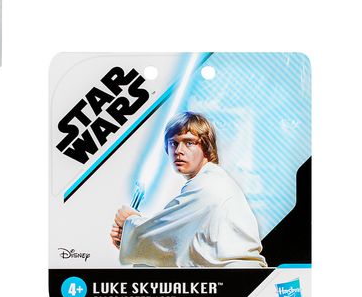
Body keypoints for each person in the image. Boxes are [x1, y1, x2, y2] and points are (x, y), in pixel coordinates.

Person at [111, 112, 267, 267]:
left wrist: (130, 223)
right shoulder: (208, 179)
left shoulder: (209, 183)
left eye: (189, 143)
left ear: (206, 147)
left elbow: (168, 231)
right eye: (173, 143)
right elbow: (182, 245)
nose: (178, 150)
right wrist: (130, 238)